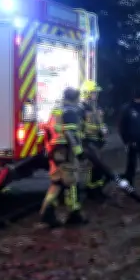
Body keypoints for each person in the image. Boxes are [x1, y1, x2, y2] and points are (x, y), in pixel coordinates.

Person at [39, 87, 88, 228]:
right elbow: (70, 134)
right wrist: (78, 151)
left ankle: (46, 212)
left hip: (55, 152)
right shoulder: (71, 112)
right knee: (71, 181)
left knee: (57, 182)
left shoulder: (57, 110)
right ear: (75, 99)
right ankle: (74, 214)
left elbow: (49, 131)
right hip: (66, 152)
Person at [79, 79, 108, 200]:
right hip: (88, 142)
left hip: (98, 141)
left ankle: (98, 191)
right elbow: (80, 128)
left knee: (98, 169)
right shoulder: (81, 109)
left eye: (96, 92)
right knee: (96, 167)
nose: (96, 94)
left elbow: (100, 122)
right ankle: (94, 193)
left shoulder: (96, 107)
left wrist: (104, 129)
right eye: (94, 92)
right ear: (87, 93)